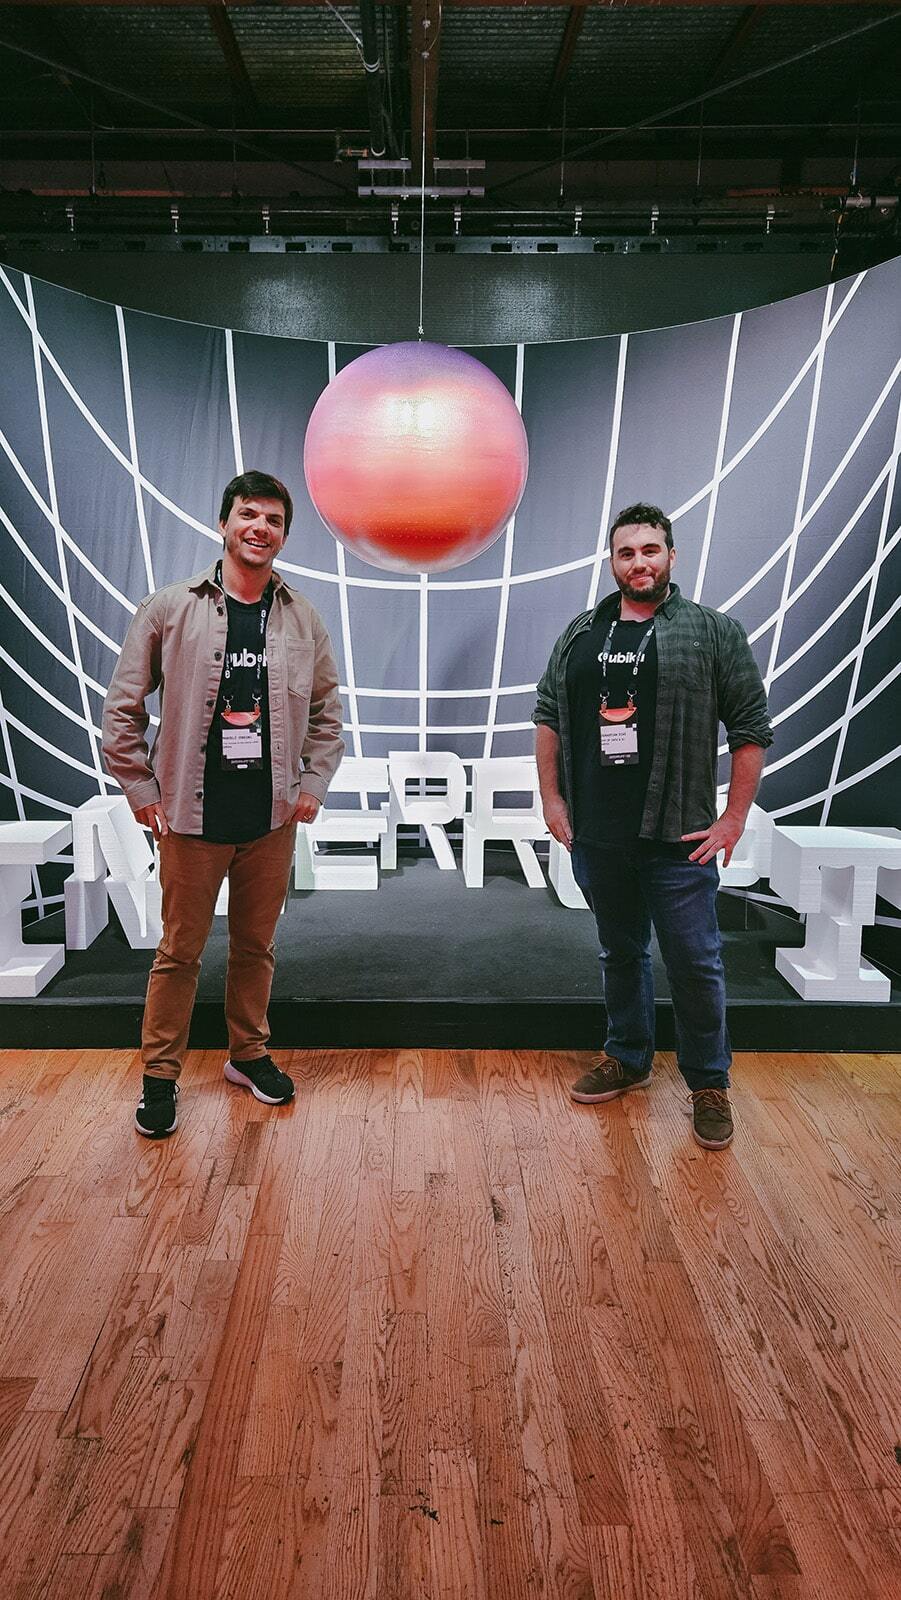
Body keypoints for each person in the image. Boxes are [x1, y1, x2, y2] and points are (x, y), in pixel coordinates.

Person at [102, 470, 344, 1138]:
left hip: (268, 819)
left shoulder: (303, 618)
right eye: (248, 514)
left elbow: (327, 714)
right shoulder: (168, 608)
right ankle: (159, 1078)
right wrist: (141, 789)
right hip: (190, 816)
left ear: (283, 536)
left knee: (255, 947)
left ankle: (248, 1055)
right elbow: (121, 710)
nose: (260, 527)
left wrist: (311, 785)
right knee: (178, 953)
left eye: (273, 520)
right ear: (224, 523)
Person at [534, 502, 772, 1149]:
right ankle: (627, 1057)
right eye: (626, 552)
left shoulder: (713, 632)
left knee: (695, 963)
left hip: (678, 839)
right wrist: (552, 800)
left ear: (671, 556)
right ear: (611, 562)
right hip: (598, 834)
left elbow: (750, 728)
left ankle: (708, 1084)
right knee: (620, 953)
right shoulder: (582, 633)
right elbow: (548, 715)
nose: (638, 562)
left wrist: (732, 818)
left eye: (649, 550)